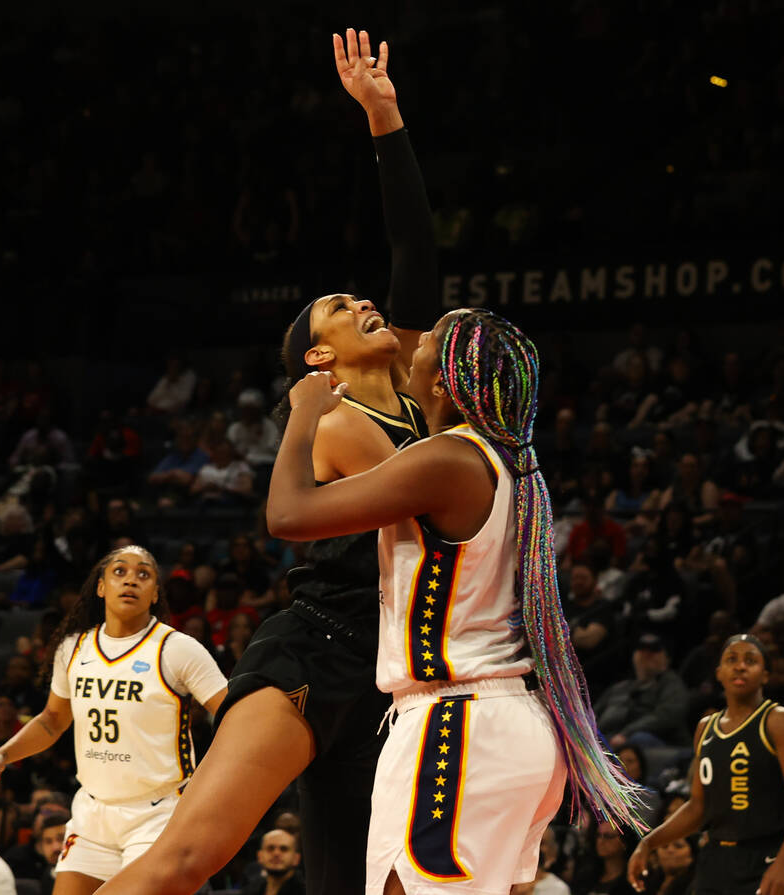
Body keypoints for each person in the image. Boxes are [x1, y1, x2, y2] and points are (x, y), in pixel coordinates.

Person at [97, 28, 441, 895]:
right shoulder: (334, 417)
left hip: (392, 671)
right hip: (316, 649)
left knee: (368, 884)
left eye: (358, 297)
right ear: (317, 359)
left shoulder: (403, 395)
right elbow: (423, 517)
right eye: (338, 306)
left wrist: (386, 120)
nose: (364, 301)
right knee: (187, 856)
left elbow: (414, 259)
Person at [262, 303, 646, 893]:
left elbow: (287, 514)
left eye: (423, 347)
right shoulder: (514, 462)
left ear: (441, 380)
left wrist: (304, 412)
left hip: (456, 726)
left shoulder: (445, 460)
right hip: (505, 724)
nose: (409, 345)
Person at [0, 545, 226, 895]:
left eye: (144, 574)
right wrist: (3, 755)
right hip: (93, 810)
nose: (131, 580)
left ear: (155, 594)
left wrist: (215, 783)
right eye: (119, 571)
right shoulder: (73, 648)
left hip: (158, 812)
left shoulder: (176, 649)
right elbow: (51, 721)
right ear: (101, 587)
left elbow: (234, 715)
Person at [628, 634, 784, 895]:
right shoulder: (705, 728)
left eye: (751, 660)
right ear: (719, 673)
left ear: (765, 675)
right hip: (716, 858)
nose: (740, 666)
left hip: (767, 855)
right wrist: (648, 843)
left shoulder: (780, 721)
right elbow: (697, 806)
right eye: (731, 659)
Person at [595, 634, 690, 749]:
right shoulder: (620, 687)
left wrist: (627, 733)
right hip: (607, 738)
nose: (646, 655)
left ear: (666, 658)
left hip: (654, 743)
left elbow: (666, 716)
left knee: (637, 740)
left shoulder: (672, 684)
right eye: (642, 650)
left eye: (654, 650)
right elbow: (593, 713)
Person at [241, 829, 304, 895]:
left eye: (284, 849)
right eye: (270, 848)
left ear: (296, 858)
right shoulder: (250, 890)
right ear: (260, 856)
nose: (276, 853)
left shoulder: (306, 891)